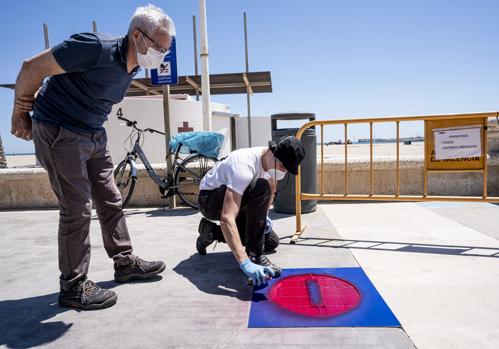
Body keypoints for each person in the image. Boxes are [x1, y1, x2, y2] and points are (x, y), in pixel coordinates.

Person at [10, 4, 174, 310]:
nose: (161, 55)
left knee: (110, 198)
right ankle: (72, 286)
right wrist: (20, 112)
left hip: (94, 133)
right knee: (77, 209)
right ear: (136, 36)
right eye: (157, 47)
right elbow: (31, 67)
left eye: (165, 49)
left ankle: (124, 263)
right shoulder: (95, 48)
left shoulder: (135, 65)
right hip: (60, 130)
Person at [196, 136, 305, 286]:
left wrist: (262, 218)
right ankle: (254, 257)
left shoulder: (270, 163)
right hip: (210, 200)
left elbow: (272, 189)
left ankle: (211, 232)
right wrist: (245, 263)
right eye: (283, 167)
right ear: (273, 155)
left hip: (237, 198)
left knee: (270, 241)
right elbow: (227, 218)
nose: (284, 172)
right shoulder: (244, 166)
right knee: (261, 187)